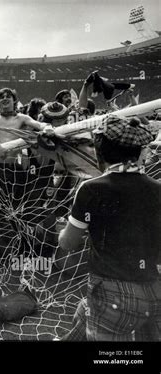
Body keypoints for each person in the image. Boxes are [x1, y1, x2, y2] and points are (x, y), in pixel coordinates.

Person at [58, 114, 160, 341]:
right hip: (154, 292)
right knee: (84, 310)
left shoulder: (91, 188)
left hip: (112, 295)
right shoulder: (157, 189)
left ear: (99, 150)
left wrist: (62, 230)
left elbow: (68, 243)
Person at [0, 87, 54, 257]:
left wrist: (46, 128)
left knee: (15, 208)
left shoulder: (22, 118)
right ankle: (0, 249)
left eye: (8, 97)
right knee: (0, 208)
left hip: (15, 169)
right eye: (1, 97)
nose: (4, 99)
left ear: (14, 100)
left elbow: (38, 124)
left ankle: (14, 246)